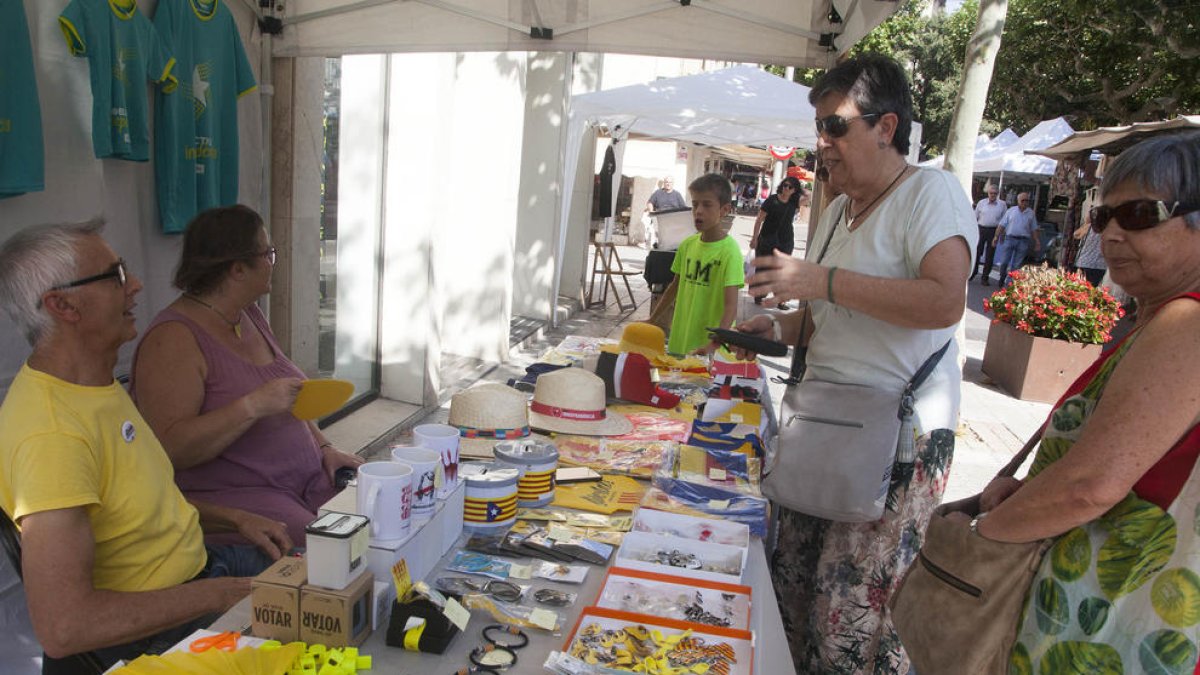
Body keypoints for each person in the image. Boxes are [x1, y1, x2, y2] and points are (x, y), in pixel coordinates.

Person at [735, 54, 976, 673]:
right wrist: (777, 328)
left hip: (893, 438)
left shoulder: (930, 192)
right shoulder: (838, 210)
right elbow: (828, 317)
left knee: (849, 622)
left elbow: (944, 301)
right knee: (792, 597)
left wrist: (821, 280)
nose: (822, 142)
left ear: (886, 126)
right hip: (825, 424)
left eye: (835, 125)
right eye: (819, 127)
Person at [0, 221, 292, 674]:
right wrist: (222, 595)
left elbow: (135, 507)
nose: (135, 284)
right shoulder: (51, 437)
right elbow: (65, 628)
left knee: (340, 576)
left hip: (202, 570)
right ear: (62, 306)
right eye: (115, 275)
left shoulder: (92, 385)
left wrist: (235, 518)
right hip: (153, 633)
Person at [968, 132, 1200, 673]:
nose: (1112, 232)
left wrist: (983, 541)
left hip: (1109, 624)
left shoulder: (1186, 323)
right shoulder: (1162, 319)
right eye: (1103, 216)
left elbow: (1089, 487)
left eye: (1140, 214)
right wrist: (1031, 494)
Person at [132, 205, 362, 548]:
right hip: (238, 498)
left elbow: (290, 399)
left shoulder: (247, 314)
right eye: (267, 253)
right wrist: (252, 405)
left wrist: (325, 447)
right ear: (237, 269)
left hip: (306, 479)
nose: (272, 261)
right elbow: (170, 449)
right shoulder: (172, 339)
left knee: (375, 514)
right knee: (334, 547)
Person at [647, 174, 743, 355]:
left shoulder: (730, 252)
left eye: (707, 205)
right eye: (695, 204)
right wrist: (652, 319)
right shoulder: (687, 245)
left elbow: (731, 306)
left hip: (709, 348)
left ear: (724, 210)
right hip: (680, 340)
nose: (698, 211)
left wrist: (715, 343)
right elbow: (674, 287)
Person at [750, 176, 803, 308]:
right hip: (767, 240)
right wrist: (754, 238)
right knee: (764, 268)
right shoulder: (772, 200)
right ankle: (759, 295)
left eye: (790, 187)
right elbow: (759, 220)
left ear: (794, 190)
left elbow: (809, 196)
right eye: (785, 185)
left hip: (785, 241)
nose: (786, 188)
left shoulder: (794, 202)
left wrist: (800, 191)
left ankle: (780, 299)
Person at [992, 192, 1040, 287]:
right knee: (1004, 262)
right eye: (1023, 200)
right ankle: (1002, 276)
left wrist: (1037, 241)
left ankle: (1009, 282)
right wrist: (996, 237)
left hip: (1023, 240)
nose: (1025, 202)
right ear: (1018, 201)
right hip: (1010, 239)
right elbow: (1002, 225)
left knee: (1016, 265)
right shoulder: (1011, 211)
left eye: (1027, 200)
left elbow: (1034, 229)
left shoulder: (1031, 213)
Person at [971, 184, 1007, 284]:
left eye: (995, 193)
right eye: (991, 193)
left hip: (993, 230)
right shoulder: (981, 203)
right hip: (981, 229)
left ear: (997, 194)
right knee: (977, 252)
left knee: (990, 255)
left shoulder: (1002, 205)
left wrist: (1002, 234)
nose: (992, 195)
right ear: (988, 193)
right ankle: (973, 272)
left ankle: (985, 277)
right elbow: (975, 217)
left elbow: (1004, 221)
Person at [1072, 212, 1108, 286]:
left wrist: (1086, 224)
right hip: (1100, 265)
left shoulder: (1089, 226)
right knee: (1091, 287)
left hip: (1084, 262)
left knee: (1079, 287)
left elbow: (1076, 235)